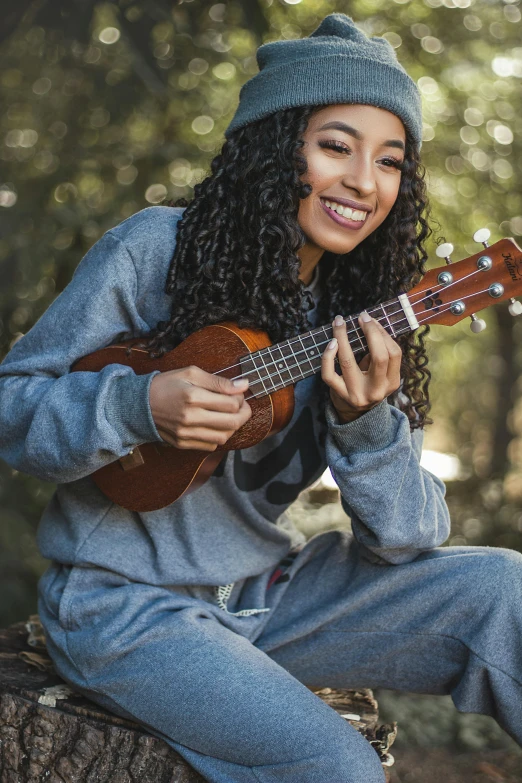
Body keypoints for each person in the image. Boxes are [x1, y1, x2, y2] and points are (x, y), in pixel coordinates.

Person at [0, 13, 520, 783]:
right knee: (337, 768)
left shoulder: (366, 307)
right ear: (277, 146)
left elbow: (409, 537)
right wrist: (138, 405)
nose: (363, 181)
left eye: (391, 161)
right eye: (336, 146)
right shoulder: (154, 250)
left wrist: (366, 424)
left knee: (504, 589)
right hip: (127, 607)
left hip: (270, 598)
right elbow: (14, 412)